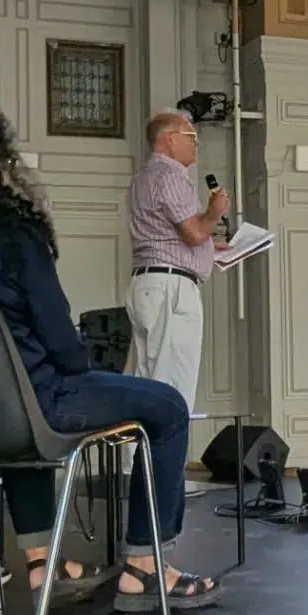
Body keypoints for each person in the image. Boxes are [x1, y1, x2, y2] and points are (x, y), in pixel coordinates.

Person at [0, 102, 217, 611]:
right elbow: (63, 348)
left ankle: (44, 560)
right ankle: (146, 565)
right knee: (166, 406)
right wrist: (80, 366)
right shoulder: (12, 234)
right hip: (17, 413)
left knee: (17, 392)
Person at [124, 111, 229, 411]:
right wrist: (214, 212)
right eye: (191, 137)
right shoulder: (170, 176)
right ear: (170, 139)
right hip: (172, 288)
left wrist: (209, 249)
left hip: (148, 284)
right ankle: (167, 444)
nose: (197, 143)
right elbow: (194, 233)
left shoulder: (142, 178)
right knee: (173, 387)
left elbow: (166, 235)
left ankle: (141, 444)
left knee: (145, 382)